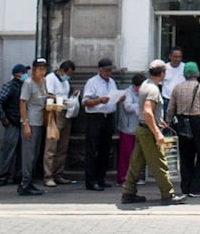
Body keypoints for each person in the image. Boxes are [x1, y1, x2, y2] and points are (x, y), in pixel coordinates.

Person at [120, 59, 186, 205]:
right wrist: (157, 132)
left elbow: (149, 112)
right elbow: (148, 111)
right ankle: (167, 194)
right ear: (162, 73)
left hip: (142, 128)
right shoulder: (153, 89)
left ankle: (128, 192)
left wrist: (158, 120)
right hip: (149, 131)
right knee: (159, 162)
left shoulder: (145, 85)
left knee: (136, 163)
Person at [167, 61, 200, 197]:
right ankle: (197, 188)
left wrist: (168, 123)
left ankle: (185, 187)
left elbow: (171, 108)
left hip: (182, 123)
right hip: (198, 122)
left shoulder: (177, 88)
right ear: (197, 73)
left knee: (186, 156)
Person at [82, 58, 124, 191]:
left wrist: (119, 99)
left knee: (105, 149)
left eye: (110, 70)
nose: (108, 73)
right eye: (106, 70)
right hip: (96, 117)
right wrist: (99, 100)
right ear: (100, 70)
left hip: (109, 117)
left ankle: (101, 178)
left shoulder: (111, 82)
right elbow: (86, 102)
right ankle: (91, 180)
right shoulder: (92, 82)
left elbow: (113, 98)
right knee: (93, 149)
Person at [44, 60, 77, 187]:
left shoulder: (65, 81)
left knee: (62, 146)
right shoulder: (51, 78)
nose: (68, 77)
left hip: (66, 112)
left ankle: (58, 173)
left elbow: (66, 93)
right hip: (55, 112)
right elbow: (47, 95)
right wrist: (62, 99)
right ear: (61, 71)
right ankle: (48, 176)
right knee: (51, 146)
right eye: (68, 74)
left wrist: (72, 96)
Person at [18, 58, 49, 196]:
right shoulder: (28, 83)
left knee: (35, 154)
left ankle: (30, 181)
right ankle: (24, 183)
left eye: (44, 69)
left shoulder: (44, 82)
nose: (42, 72)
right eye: (40, 69)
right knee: (28, 154)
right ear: (34, 70)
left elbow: (45, 96)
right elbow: (23, 103)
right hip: (31, 121)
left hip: (40, 120)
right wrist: (26, 124)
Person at [0, 64, 27, 186]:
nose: (26, 75)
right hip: (12, 122)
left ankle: (18, 175)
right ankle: (4, 175)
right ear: (18, 74)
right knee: (9, 151)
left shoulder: (24, 86)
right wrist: (3, 118)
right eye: (24, 72)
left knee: (21, 152)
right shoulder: (10, 86)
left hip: (22, 122)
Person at [117, 74, 145, 186]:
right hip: (127, 128)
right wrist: (140, 106)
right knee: (126, 154)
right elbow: (128, 107)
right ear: (134, 85)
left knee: (137, 155)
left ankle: (135, 177)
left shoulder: (142, 93)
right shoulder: (127, 93)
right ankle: (123, 178)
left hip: (138, 127)